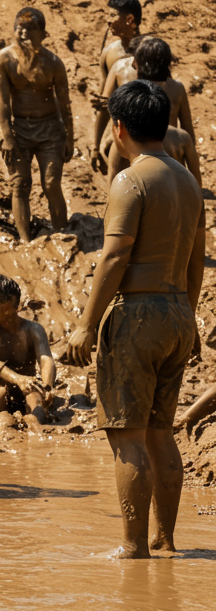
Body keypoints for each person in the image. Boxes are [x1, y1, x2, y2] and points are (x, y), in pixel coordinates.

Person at [61, 80, 203, 559]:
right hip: (179, 312)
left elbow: (116, 253)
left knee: (127, 436)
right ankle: (165, 539)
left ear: (118, 128)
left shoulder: (131, 179)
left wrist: (85, 323)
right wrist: (192, 316)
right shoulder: (188, 181)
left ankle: (132, 548)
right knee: (161, 432)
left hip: (138, 313)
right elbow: (196, 259)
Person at [0, 7, 72, 243]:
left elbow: (65, 105)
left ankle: (61, 235)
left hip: (50, 131)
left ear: (44, 35)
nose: (23, 33)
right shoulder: (5, 60)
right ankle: (25, 240)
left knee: (51, 184)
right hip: (20, 131)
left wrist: (69, 139)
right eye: (20, 27)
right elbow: (3, 104)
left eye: (31, 28)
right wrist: (8, 138)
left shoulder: (54, 63)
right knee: (20, 185)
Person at [0, 274, 55, 432]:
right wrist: (18, 379)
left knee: (37, 414)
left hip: (29, 387)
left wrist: (47, 386)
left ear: (13, 301)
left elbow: (46, 359)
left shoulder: (33, 329)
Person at [104, 37, 198, 184]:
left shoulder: (133, 92)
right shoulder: (177, 89)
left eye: (136, 61)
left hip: (135, 147)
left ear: (142, 65)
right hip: (170, 154)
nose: (133, 65)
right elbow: (188, 130)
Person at [91, 0, 143, 173]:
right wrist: (95, 145)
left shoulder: (150, 51)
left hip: (151, 134)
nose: (108, 21)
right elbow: (104, 103)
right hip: (122, 134)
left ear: (129, 19)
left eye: (113, 15)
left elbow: (165, 94)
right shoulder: (109, 53)